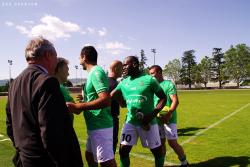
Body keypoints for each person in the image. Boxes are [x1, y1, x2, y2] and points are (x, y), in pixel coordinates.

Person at [6, 37, 83, 167]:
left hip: (24, 158)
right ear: (48, 55)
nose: (56, 61)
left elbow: (10, 124)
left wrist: (24, 150)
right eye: (56, 57)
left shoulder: (15, 83)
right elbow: (51, 131)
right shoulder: (47, 81)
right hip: (44, 161)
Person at [111, 56, 167, 167]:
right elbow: (113, 94)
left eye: (126, 65)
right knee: (123, 150)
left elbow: (163, 98)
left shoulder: (149, 79)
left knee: (156, 151)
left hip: (148, 122)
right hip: (130, 121)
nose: (123, 67)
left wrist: (152, 114)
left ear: (135, 64)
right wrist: (123, 103)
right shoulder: (124, 82)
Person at [67, 46, 117, 167]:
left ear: (84, 57)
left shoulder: (96, 72)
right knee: (89, 157)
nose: (79, 60)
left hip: (101, 125)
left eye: (80, 57)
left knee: (106, 162)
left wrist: (79, 107)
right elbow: (97, 97)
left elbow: (105, 100)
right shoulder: (93, 73)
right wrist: (84, 100)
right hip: (94, 124)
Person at [149, 65, 189, 167]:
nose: (151, 76)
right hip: (157, 119)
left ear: (159, 72)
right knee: (160, 143)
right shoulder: (151, 86)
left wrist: (169, 113)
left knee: (172, 143)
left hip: (169, 118)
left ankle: (184, 162)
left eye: (152, 73)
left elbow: (175, 101)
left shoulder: (168, 85)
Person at [108, 60, 123, 154]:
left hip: (101, 119)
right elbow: (123, 104)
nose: (123, 70)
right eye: (121, 68)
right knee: (111, 146)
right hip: (112, 119)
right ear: (116, 69)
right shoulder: (115, 85)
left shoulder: (102, 81)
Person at [54, 57, 75, 124]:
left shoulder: (53, 86)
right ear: (59, 69)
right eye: (67, 69)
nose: (68, 74)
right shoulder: (60, 88)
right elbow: (77, 110)